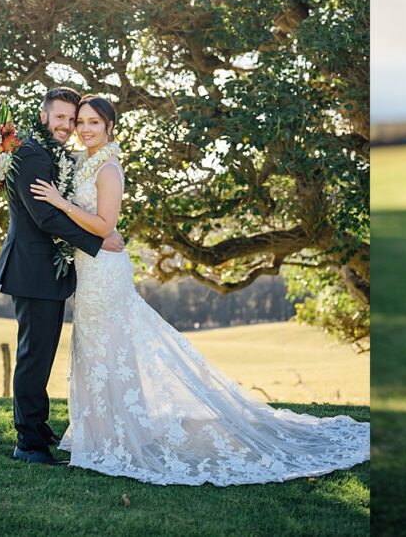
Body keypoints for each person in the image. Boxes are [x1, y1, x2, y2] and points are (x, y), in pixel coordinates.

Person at [29, 94, 369, 485]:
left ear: (109, 128)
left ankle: (121, 434)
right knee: (96, 348)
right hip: (88, 270)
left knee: (113, 346)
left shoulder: (108, 168)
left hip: (105, 270)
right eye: (82, 122)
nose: (85, 129)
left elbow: (106, 226)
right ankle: (103, 430)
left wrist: (59, 202)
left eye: (94, 123)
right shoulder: (81, 163)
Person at [0, 86, 126, 466]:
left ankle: (38, 425)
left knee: (42, 354)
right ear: (43, 116)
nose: (67, 126)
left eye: (73, 119)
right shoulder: (32, 154)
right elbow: (45, 217)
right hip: (32, 272)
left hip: (47, 274)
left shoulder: (55, 153)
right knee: (34, 357)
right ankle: (29, 443)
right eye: (61, 118)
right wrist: (97, 243)